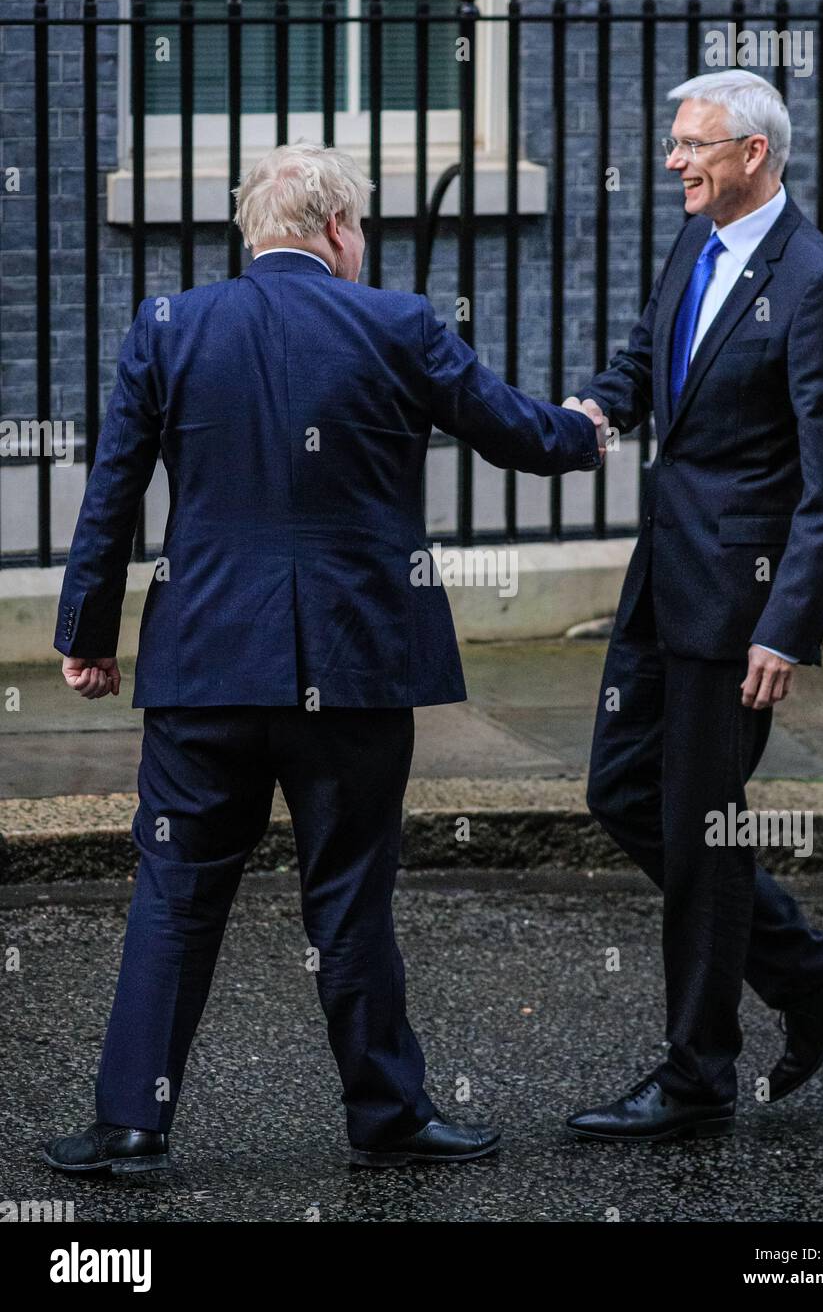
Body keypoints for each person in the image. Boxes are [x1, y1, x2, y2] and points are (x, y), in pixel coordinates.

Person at [43, 140, 605, 1175]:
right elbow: (517, 435)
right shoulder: (397, 323)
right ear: (340, 228)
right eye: (361, 230)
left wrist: (87, 634)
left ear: (253, 231)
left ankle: (130, 1123)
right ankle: (387, 1115)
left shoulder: (169, 327)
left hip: (204, 663)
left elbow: (111, 492)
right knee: (348, 888)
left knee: (174, 889)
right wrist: (590, 425)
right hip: (353, 666)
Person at [565, 71, 823, 1144]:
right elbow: (650, 357)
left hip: (737, 607)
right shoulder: (697, 244)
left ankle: (697, 1073)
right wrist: (600, 405)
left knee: (702, 829)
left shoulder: (818, 283)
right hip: (664, 582)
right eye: (671, 142)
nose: (672, 161)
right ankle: (812, 975)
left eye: (691, 144)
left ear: (754, 153)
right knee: (619, 790)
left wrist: (786, 624)